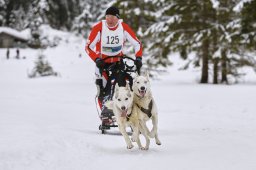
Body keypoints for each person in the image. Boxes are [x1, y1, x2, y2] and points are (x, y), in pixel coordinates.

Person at [85, 6, 143, 106]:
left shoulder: (123, 27)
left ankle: (125, 110)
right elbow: (88, 47)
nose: (109, 20)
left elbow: (137, 44)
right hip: (102, 64)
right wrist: (96, 59)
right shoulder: (99, 28)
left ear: (118, 18)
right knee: (102, 89)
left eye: (112, 17)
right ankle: (105, 113)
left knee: (123, 84)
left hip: (118, 62)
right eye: (107, 16)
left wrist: (138, 57)